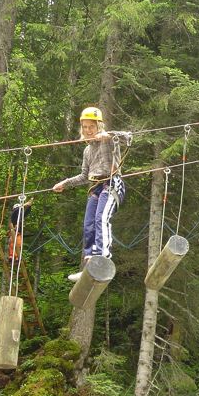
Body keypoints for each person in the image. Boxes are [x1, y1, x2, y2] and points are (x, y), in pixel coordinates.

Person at [53, 107, 130, 281]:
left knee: (100, 218)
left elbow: (129, 137)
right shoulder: (87, 151)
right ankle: (89, 267)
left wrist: (109, 135)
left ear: (99, 126)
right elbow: (83, 176)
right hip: (95, 187)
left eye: (92, 127)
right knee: (88, 224)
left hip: (112, 183)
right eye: (85, 127)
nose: (88, 130)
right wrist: (65, 183)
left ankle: (103, 258)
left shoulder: (110, 140)